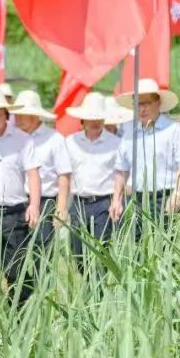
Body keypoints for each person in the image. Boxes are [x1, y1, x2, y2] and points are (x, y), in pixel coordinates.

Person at [0, 87, 41, 306]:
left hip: (13, 213)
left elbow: (32, 174)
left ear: (6, 115)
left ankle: (22, 316)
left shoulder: (22, 140)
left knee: (16, 268)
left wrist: (34, 205)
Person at [110, 78, 180, 236]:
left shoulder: (173, 130)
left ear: (158, 103)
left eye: (146, 103)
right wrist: (116, 199)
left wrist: (178, 194)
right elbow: (122, 170)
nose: (142, 109)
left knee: (164, 246)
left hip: (163, 199)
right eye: (138, 104)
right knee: (135, 247)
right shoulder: (129, 133)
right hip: (135, 199)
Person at [10, 90, 72, 247]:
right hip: (16, 201)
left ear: (36, 115)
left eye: (23, 114)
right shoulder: (12, 138)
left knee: (42, 248)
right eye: (17, 114)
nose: (18, 118)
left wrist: (61, 207)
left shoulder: (54, 139)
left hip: (45, 201)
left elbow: (64, 175)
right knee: (16, 250)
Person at [64, 92, 121, 254]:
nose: (95, 122)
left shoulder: (116, 143)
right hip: (78, 203)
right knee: (78, 251)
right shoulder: (71, 142)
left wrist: (116, 200)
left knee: (101, 250)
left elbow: (120, 175)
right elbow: (65, 176)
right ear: (83, 120)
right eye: (91, 118)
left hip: (103, 203)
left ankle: (100, 279)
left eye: (99, 118)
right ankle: (86, 278)